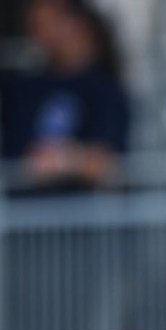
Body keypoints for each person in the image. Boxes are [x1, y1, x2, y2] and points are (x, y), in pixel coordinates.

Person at [0, 0, 130, 192]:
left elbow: (107, 163)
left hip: (82, 214)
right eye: (36, 25)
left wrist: (63, 160)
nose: (42, 34)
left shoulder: (104, 90)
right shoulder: (23, 87)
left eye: (48, 22)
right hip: (26, 213)